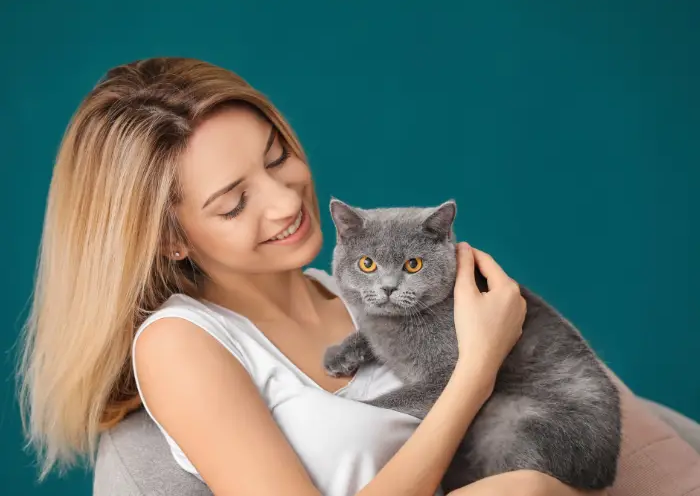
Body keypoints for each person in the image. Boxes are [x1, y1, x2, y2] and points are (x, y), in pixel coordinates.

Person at [18, 57, 608, 495]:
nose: (284, 201)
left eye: (277, 158)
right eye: (233, 202)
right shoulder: (182, 344)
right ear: (170, 238)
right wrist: (478, 369)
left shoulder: (356, 291)